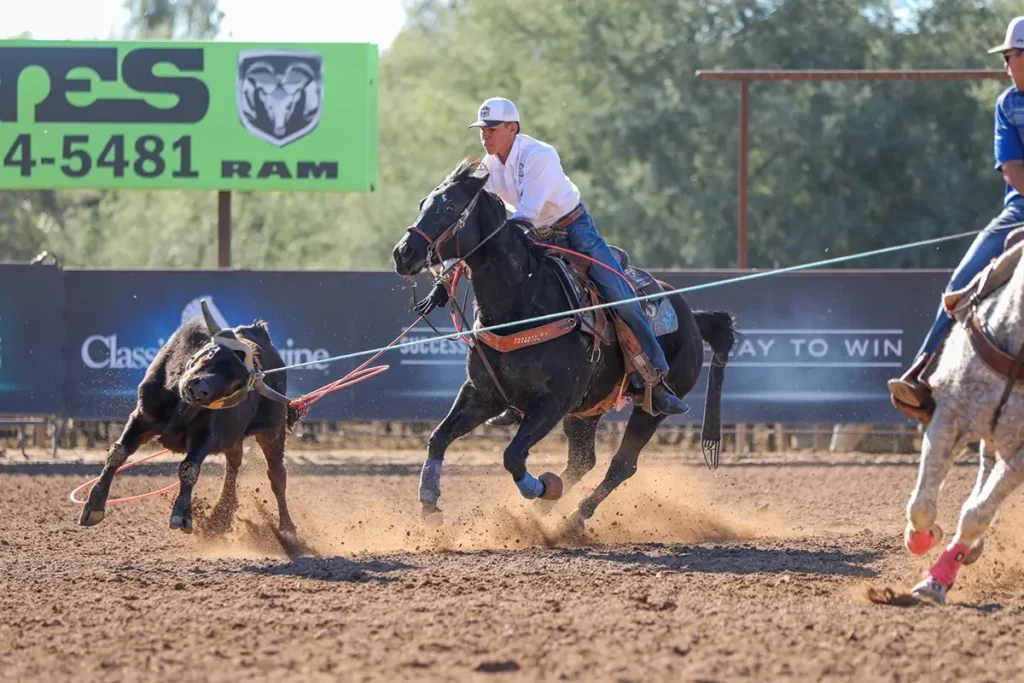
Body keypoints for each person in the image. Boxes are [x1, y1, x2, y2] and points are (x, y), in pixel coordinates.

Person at [414, 96, 691, 426]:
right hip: (531, 236)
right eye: (481, 129)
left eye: (490, 129)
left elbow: (528, 213)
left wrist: (497, 243)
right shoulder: (487, 168)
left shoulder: (539, 156)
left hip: (573, 229)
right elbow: (464, 221)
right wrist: (446, 276)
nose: (484, 135)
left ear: (511, 128)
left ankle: (654, 380)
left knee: (619, 294)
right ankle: (512, 395)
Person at [888, 16, 1024, 424]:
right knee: (959, 288)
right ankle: (923, 376)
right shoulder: (1008, 104)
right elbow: (1013, 168)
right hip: (1020, 210)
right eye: (1005, 57)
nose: (1005, 64)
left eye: (1010, 55)